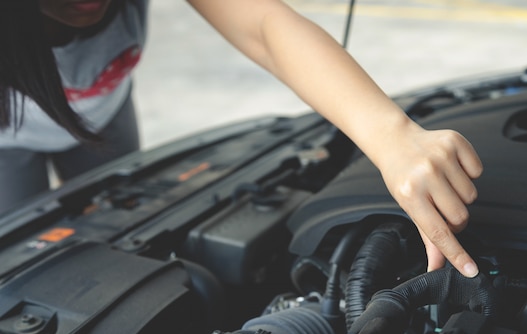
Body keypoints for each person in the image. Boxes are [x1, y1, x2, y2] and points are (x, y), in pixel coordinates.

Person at [0, 0, 483, 277]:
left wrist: (392, 135)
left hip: (103, 115)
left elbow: (263, 25)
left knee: (118, 232)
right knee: (20, 267)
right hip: (7, 141)